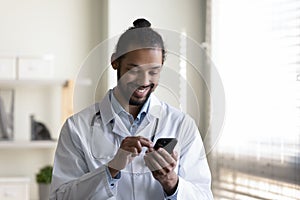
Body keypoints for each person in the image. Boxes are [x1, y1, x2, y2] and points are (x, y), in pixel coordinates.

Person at [50, 18, 214, 200]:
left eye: (153, 71)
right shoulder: (76, 128)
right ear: (115, 62)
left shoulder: (182, 125)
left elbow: (204, 196)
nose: (144, 81)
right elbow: (60, 197)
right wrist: (111, 169)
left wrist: (171, 182)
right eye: (134, 70)